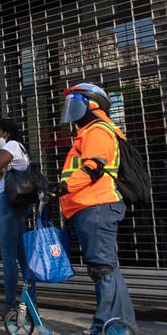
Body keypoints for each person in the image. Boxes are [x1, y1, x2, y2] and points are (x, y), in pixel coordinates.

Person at [57, 83, 136, 335]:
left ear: (91, 105)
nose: (70, 110)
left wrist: (61, 188)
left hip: (97, 205)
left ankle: (105, 328)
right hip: (90, 206)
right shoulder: (89, 132)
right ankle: (120, 328)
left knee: (103, 269)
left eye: (74, 103)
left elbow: (93, 168)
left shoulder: (98, 130)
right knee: (106, 269)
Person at [0, 119, 35, 321]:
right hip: (17, 203)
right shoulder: (18, 150)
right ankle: (31, 307)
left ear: (6, 133)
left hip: (9, 202)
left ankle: (8, 308)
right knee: (22, 257)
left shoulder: (12, 145)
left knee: (8, 256)